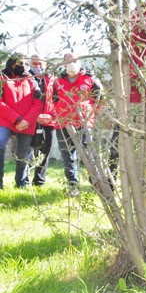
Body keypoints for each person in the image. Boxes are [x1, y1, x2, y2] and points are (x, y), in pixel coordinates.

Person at [52, 52, 103, 195]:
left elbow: (99, 98)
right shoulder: (58, 82)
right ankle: (73, 186)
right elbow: (54, 100)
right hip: (63, 124)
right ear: (63, 64)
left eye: (74, 60)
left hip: (84, 123)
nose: (71, 62)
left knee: (88, 155)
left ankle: (96, 185)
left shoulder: (90, 79)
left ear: (79, 61)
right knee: (68, 156)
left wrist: (91, 115)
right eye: (67, 60)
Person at [0, 54, 43, 189]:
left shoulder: (31, 80)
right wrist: (16, 119)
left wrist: (26, 120)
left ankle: (21, 184)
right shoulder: (2, 78)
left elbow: (38, 103)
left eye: (25, 63)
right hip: (5, 120)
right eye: (20, 63)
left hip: (26, 122)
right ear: (12, 63)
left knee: (22, 155)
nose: (23, 66)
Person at [29, 55, 57, 186]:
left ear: (46, 65)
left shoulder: (53, 80)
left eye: (40, 64)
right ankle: (24, 180)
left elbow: (60, 101)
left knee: (45, 149)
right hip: (30, 120)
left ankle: (39, 181)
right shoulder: (26, 78)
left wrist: (52, 115)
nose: (38, 67)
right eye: (34, 64)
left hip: (48, 120)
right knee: (29, 150)